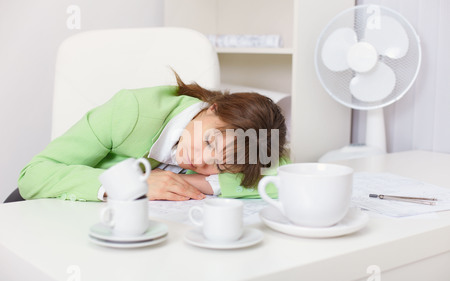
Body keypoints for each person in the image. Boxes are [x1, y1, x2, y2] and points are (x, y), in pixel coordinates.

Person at [18, 72, 288, 202]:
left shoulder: (249, 148)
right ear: (213, 107)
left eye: (219, 165)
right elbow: (33, 176)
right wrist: (133, 184)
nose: (199, 160)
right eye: (210, 142)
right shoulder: (131, 111)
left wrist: (206, 183)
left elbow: (286, 178)